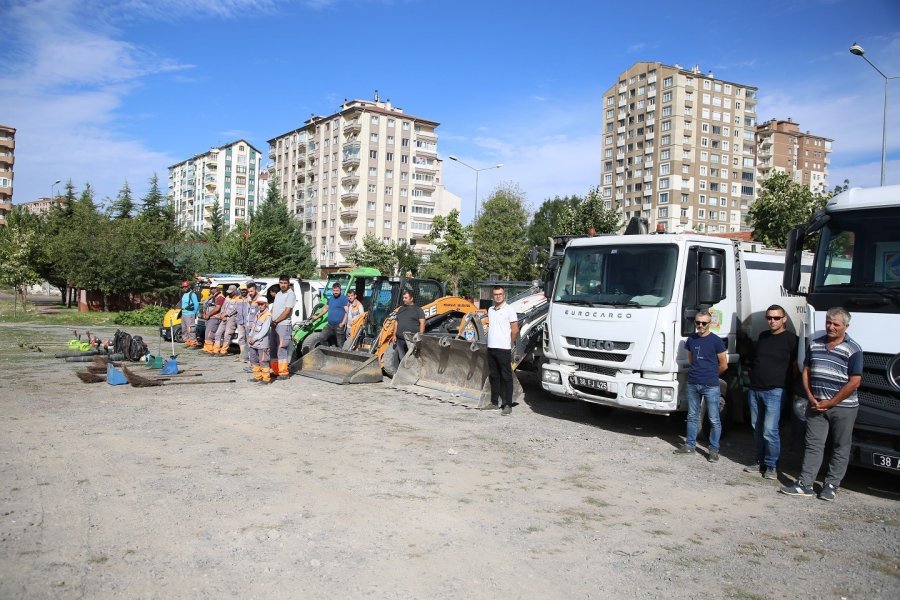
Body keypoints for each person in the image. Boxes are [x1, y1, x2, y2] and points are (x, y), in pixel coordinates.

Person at [780, 307, 862, 501]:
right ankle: (805, 484)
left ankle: (831, 485)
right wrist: (810, 396)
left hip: (843, 408)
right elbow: (806, 370)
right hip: (816, 405)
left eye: (836, 324)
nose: (830, 327)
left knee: (840, 446)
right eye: (828, 322)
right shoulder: (815, 345)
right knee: (813, 445)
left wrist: (831, 402)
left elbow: (855, 381)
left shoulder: (854, 349)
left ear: (846, 326)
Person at [743, 305, 798, 479]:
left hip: (775, 391)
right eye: (769, 318)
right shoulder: (763, 336)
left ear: (784, 319)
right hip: (755, 389)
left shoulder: (792, 340)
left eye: (776, 318)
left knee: (770, 430)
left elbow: (796, 366)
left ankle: (771, 466)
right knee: (756, 428)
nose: (772, 321)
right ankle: (759, 461)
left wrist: (789, 386)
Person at [674, 309, 727, 461]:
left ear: (710, 323)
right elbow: (691, 359)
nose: (701, 326)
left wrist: (712, 375)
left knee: (714, 418)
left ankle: (713, 450)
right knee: (691, 416)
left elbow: (723, 364)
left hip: (710, 384)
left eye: (704, 323)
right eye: (698, 323)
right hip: (693, 383)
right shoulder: (691, 340)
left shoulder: (716, 341)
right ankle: (690, 446)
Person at [486, 286, 519, 416]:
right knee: (494, 376)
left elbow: (515, 329)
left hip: (504, 348)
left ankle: (507, 404)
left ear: (504, 295)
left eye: (500, 294)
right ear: (492, 296)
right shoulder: (490, 310)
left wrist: (510, 343)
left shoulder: (510, 310)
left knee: (506, 377)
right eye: (495, 294)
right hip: (491, 348)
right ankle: (494, 402)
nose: (498, 296)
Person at [270, 275, 297, 380]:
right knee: (273, 348)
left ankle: (284, 373)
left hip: (283, 324)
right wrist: (269, 319)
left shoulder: (290, 295)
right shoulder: (279, 294)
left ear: (288, 283)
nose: (283, 285)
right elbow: (274, 308)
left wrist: (276, 321)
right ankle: (276, 371)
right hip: (274, 324)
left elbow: (287, 311)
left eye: (285, 283)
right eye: (281, 283)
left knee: (281, 348)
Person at [392, 289, 425, 365]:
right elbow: (396, 322)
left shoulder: (418, 310)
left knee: (412, 357)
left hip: (411, 340)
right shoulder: (401, 309)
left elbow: (422, 323)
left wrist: (421, 335)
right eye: (403, 298)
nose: (404, 300)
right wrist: (394, 335)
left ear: (411, 298)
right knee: (402, 357)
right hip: (400, 339)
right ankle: (404, 370)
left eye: (406, 298)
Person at [247, 295, 273, 384]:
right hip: (253, 342)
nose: (260, 306)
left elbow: (264, 331)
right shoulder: (258, 314)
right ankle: (258, 377)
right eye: (258, 304)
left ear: (266, 304)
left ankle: (266, 379)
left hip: (262, 343)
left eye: (262, 304)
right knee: (254, 360)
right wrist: (250, 336)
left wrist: (254, 338)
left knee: (263, 361)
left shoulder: (268, 315)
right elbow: (253, 326)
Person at [314, 283, 350, 348]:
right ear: (332, 290)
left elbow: (347, 312)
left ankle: (340, 357)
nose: (335, 292)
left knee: (340, 345)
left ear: (340, 290)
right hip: (330, 325)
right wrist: (317, 316)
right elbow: (325, 308)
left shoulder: (344, 299)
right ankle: (328, 351)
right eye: (334, 290)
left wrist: (343, 323)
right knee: (322, 338)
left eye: (337, 290)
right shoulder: (331, 298)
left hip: (339, 325)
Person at [215, 285, 241, 356]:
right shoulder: (227, 297)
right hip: (224, 317)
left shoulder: (238, 299)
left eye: (231, 292)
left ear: (235, 292)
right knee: (218, 333)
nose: (229, 294)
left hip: (232, 319)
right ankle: (216, 349)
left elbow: (235, 309)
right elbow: (223, 306)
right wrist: (222, 314)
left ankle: (224, 350)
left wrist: (227, 315)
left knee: (227, 334)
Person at [202, 284, 225, 353]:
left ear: (218, 288)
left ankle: (210, 349)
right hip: (209, 317)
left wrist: (208, 314)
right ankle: (207, 348)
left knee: (210, 334)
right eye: (211, 288)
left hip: (215, 318)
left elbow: (217, 308)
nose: (212, 289)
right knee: (207, 333)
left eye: (214, 288)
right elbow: (206, 305)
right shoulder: (212, 296)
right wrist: (204, 313)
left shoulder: (220, 297)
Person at [179, 280, 200, 348]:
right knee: (184, 328)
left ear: (189, 287)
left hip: (190, 313)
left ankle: (193, 342)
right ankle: (187, 341)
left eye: (185, 287)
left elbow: (196, 304)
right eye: (183, 287)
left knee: (191, 329)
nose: (184, 288)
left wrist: (195, 312)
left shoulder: (192, 294)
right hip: (183, 313)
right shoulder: (184, 294)